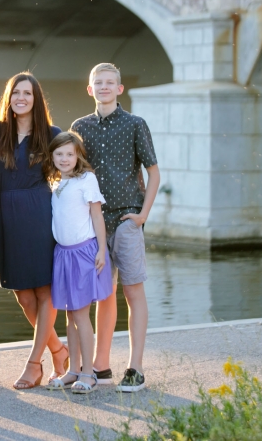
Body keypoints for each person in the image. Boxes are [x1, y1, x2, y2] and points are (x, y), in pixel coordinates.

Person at [71, 63, 160, 393]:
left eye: (111, 83)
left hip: (126, 219)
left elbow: (154, 173)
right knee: (102, 295)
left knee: (132, 290)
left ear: (120, 89)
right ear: (90, 89)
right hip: (94, 223)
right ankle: (101, 365)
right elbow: (72, 171)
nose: (105, 87)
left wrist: (142, 216)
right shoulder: (80, 127)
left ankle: (135, 368)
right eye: (99, 83)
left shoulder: (136, 124)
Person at [0, 72, 68, 389]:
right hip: (5, 217)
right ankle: (59, 350)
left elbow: (73, 168)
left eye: (27, 93)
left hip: (39, 214)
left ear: (36, 100)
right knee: (24, 297)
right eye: (16, 92)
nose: (21, 98)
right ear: (8, 98)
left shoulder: (51, 134)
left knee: (44, 291)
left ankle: (34, 363)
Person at [43, 131, 113, 394]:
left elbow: (97, 216)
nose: (64, 158)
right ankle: (72, 370)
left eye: (69, 154)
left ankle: (88, 373)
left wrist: (101, 251)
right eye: (59, 154)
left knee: (81, 315)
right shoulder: (57, 182)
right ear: (52, 156)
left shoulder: (87, 179)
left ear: (78, 155)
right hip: (63, 254)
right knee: (70, 314)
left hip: (84, 253)